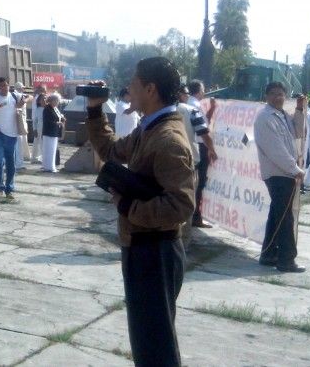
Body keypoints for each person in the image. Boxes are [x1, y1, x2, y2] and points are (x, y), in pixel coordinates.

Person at [84, 57, 195, 367]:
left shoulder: (168, 139)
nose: (128, 89)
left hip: (155, 252)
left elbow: (181, 205)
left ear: (150, 88)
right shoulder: (150, 130)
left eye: (133, 83)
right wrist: (95, 109)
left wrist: (127, 206)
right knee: (147, 342)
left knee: (155, 347)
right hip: (143, 247)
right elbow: (109, 150)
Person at [255, 82, 308, 273]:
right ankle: (286, 259)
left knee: (277, 213)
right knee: (285, 217)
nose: (278, 97)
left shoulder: (283, 115)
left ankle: (268, 254)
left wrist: (300, 109)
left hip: (284, 172)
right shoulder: (265, 117)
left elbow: (299, 132)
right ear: (267, 96)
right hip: (278, 172)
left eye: (281, 94)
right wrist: (295, 169)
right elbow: (275, 150)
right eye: (274, 94)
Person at [184, 80, 218, 227]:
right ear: (198, 91)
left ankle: (188, 215)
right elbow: (203, 130)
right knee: (200, 183)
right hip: (199, 147)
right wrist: (212, 149)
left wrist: (210, 110)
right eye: (203, 90)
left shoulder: (184, 105)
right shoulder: (196, 106)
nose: (204, 93)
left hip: (188, 146)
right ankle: (196, 217)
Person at [0, 78, 25, 200]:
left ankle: (9, 189)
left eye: (6, 85)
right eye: (1, 86)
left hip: (12, 135)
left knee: (10, 164)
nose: (4, 87)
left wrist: (21, 103)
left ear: (9, 86)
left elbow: (30, 97)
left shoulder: (14, 96)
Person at [40, 93, 65, 173]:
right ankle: (49, 167)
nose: (58, 102)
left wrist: (62, 119)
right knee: (49, 150)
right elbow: (47, 121)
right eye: (57, 100)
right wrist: (57, 123)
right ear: (52, 101)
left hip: (54, 132)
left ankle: (49, 166)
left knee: (52, 150)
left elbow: (59, 117)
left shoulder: (55, 108)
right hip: (49, 132)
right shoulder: (47, 109)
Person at [12, 82, 31, 170]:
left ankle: (19, 162)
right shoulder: (18, 95)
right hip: (18, 121)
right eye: (22, 88)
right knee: (18, 143)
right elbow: (29, 98)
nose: (23, 89)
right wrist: (25, 100)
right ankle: (18, 163)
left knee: (20, 142)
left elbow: (30, 97)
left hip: (19, 120)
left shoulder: (18, 95)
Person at [31, 85, 47, 163]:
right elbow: (35, 119)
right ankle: (34, 158)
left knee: (42, 143)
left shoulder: (47, 109)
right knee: (37, 142)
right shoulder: (38, 109)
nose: (44, 100)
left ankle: (42, 157)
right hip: (39, 127)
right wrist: (34, 129)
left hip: (45, 127)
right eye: (42, 99)